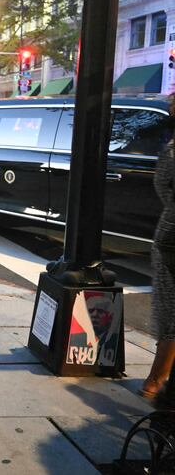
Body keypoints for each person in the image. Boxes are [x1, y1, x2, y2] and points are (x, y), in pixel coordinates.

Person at [141, 92, 175, 402]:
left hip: (171, 236)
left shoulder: (172, 150)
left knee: (171, 313)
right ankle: (158, 381)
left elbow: (162, 187)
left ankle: (157, 381)